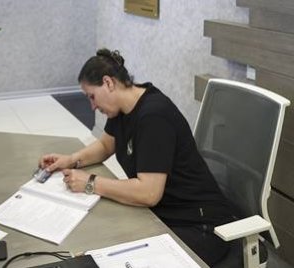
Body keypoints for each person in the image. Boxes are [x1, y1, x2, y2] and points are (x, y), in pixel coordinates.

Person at [39, 48, 236, 266]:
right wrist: (71, 159)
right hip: (163, 215)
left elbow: (148, 193)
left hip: (199, 226)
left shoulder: (153, 116)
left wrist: (91, 183)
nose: (92, 106)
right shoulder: (123, 108)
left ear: (108, 83)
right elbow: (106, 145)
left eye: (92, 97)